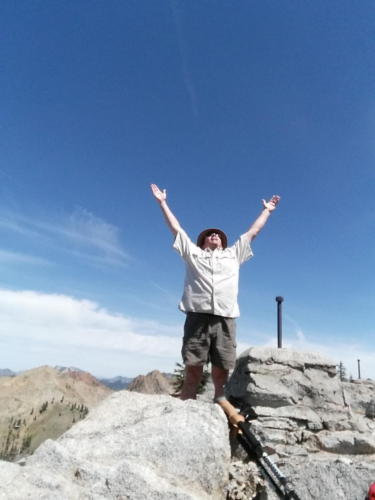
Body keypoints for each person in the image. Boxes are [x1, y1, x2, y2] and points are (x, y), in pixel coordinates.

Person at [150, 183, 280, 401]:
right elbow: (176, 229)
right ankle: (186, 406)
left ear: (223, 242)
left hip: (225, 317)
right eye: (210, 234)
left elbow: (253, 232)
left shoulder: (233, 254)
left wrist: (267, 210)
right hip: (197, 316)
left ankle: (220, 407)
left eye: (217, 235)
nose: (214, 235)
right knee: (193, 368)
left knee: (222, 369)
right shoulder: (193, 254)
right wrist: (163, 202)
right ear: (202, 242)